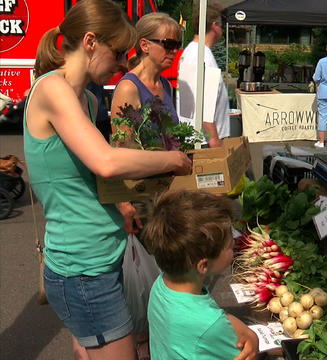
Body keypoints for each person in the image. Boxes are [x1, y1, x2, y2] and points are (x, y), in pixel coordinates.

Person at [24, 0, 192, 359]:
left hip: (99, 257)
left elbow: (83, 173)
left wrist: (120, 205)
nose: (120, 64)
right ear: (89, 42)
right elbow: (105, 162)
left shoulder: (85, 98)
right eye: (116, 52)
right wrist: (173, 159)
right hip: (83, 269)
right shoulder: (53, 90)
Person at [109, 12, 185, 358]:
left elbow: (171, 137)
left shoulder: (165, 84)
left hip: (168, 197)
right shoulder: (128, 88)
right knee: (149, 292)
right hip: (143, 202)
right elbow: (122, 153)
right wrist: (125, 204)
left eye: (177, 44)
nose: (173, 50)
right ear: (144, 45)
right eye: (167, 44)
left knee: (168, 282)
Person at [144, 189, 259, 360]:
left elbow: (216, 320)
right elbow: (244, 354)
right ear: (203, 265)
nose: (234, 243)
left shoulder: (161, 286)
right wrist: (254, 341)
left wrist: (247, 332)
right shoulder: (210, 326)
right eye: (229, 245)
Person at [179, 3, 229, 149]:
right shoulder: (201, 56)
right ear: (214, 26)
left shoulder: (193, 52)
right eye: (221, 24)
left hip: (200, 139)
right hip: (204, 143)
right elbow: (203, 105)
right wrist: (214, 140)